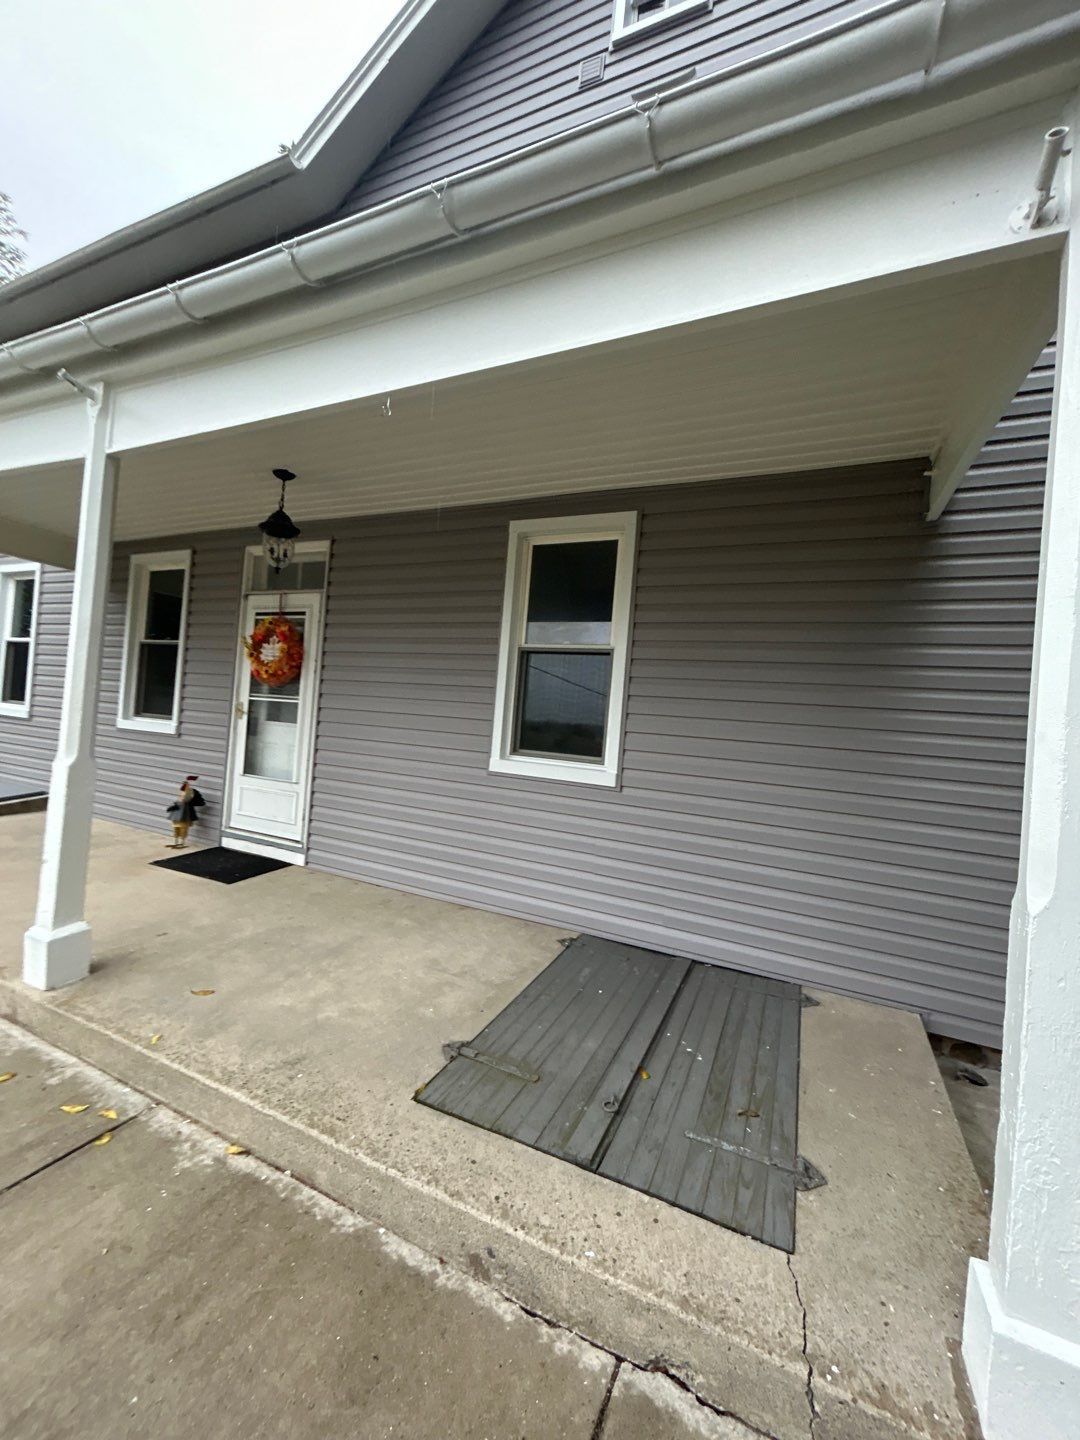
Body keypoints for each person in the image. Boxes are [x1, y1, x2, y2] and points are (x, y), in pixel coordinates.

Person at [165, 776, 205, 848]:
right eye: (181, 795)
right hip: (176, 817)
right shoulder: (179, 799)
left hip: (184, 818)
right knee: (176, 829)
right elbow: (177, 804)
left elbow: (188, 796)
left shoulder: (188, 801)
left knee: (183, 829)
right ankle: (176, 842)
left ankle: (182, 843)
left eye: (183, 795)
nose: (182, 796)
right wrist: (171, 808)